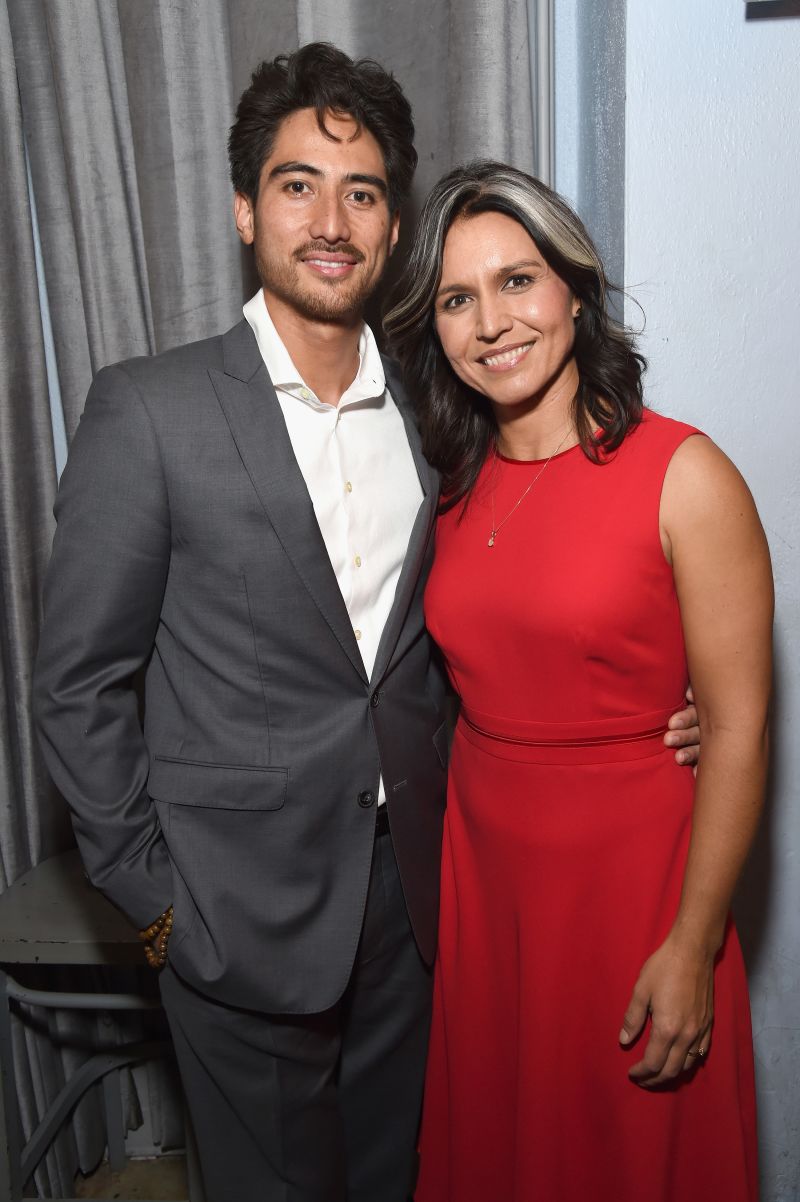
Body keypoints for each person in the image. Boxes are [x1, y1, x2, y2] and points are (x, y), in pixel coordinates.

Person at [32, 45, 700, 1202]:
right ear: (246, 210)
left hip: (427, 906)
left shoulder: (444, 406)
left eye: (362, 191)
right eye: (297, 185)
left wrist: (664, 708)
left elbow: (516, 597)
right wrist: (157, 914)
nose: (329, 219)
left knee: (411, 1174)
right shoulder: (149, 410)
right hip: (231, 917)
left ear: (392, 227)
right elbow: (76, 684)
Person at [384, 161, 772, 1202]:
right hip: (490, 893)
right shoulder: (452, 486)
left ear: (572, 287)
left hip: (630, 890)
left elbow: (736, 731)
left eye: (516, 280)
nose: (490, 321)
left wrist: (692, 944)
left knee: (629, 1154)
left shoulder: (683, 474)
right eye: (457, 299)